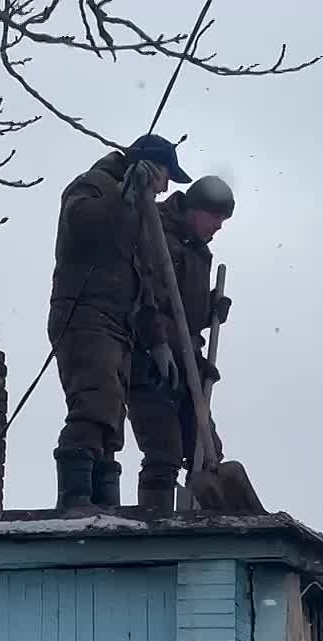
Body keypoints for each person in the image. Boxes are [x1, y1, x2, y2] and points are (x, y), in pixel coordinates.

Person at [48, 134, 192, 510]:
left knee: (111, 419)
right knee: (94, 403)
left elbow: (143, 282)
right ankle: (76, 501)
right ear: (150, 166)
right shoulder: (94, 183)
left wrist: (157, 343)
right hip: (84, 314)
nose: (164, 189)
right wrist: (122, 195)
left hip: (121, 326)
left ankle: (103, 506)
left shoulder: (142, 215)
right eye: (165, 176)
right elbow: (80, 224)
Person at [127, 175, 236, 513]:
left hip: (188, 361)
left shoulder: (199, 252)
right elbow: (148, 301)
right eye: (215, 217)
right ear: (195, 208)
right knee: (164, 451)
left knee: (206, 451)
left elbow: (183, 312)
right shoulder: (154, 230)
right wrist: (161, 344)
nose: (218, 226)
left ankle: (202, 524)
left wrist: (208, 309)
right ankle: (156, 525)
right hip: (149, 357)